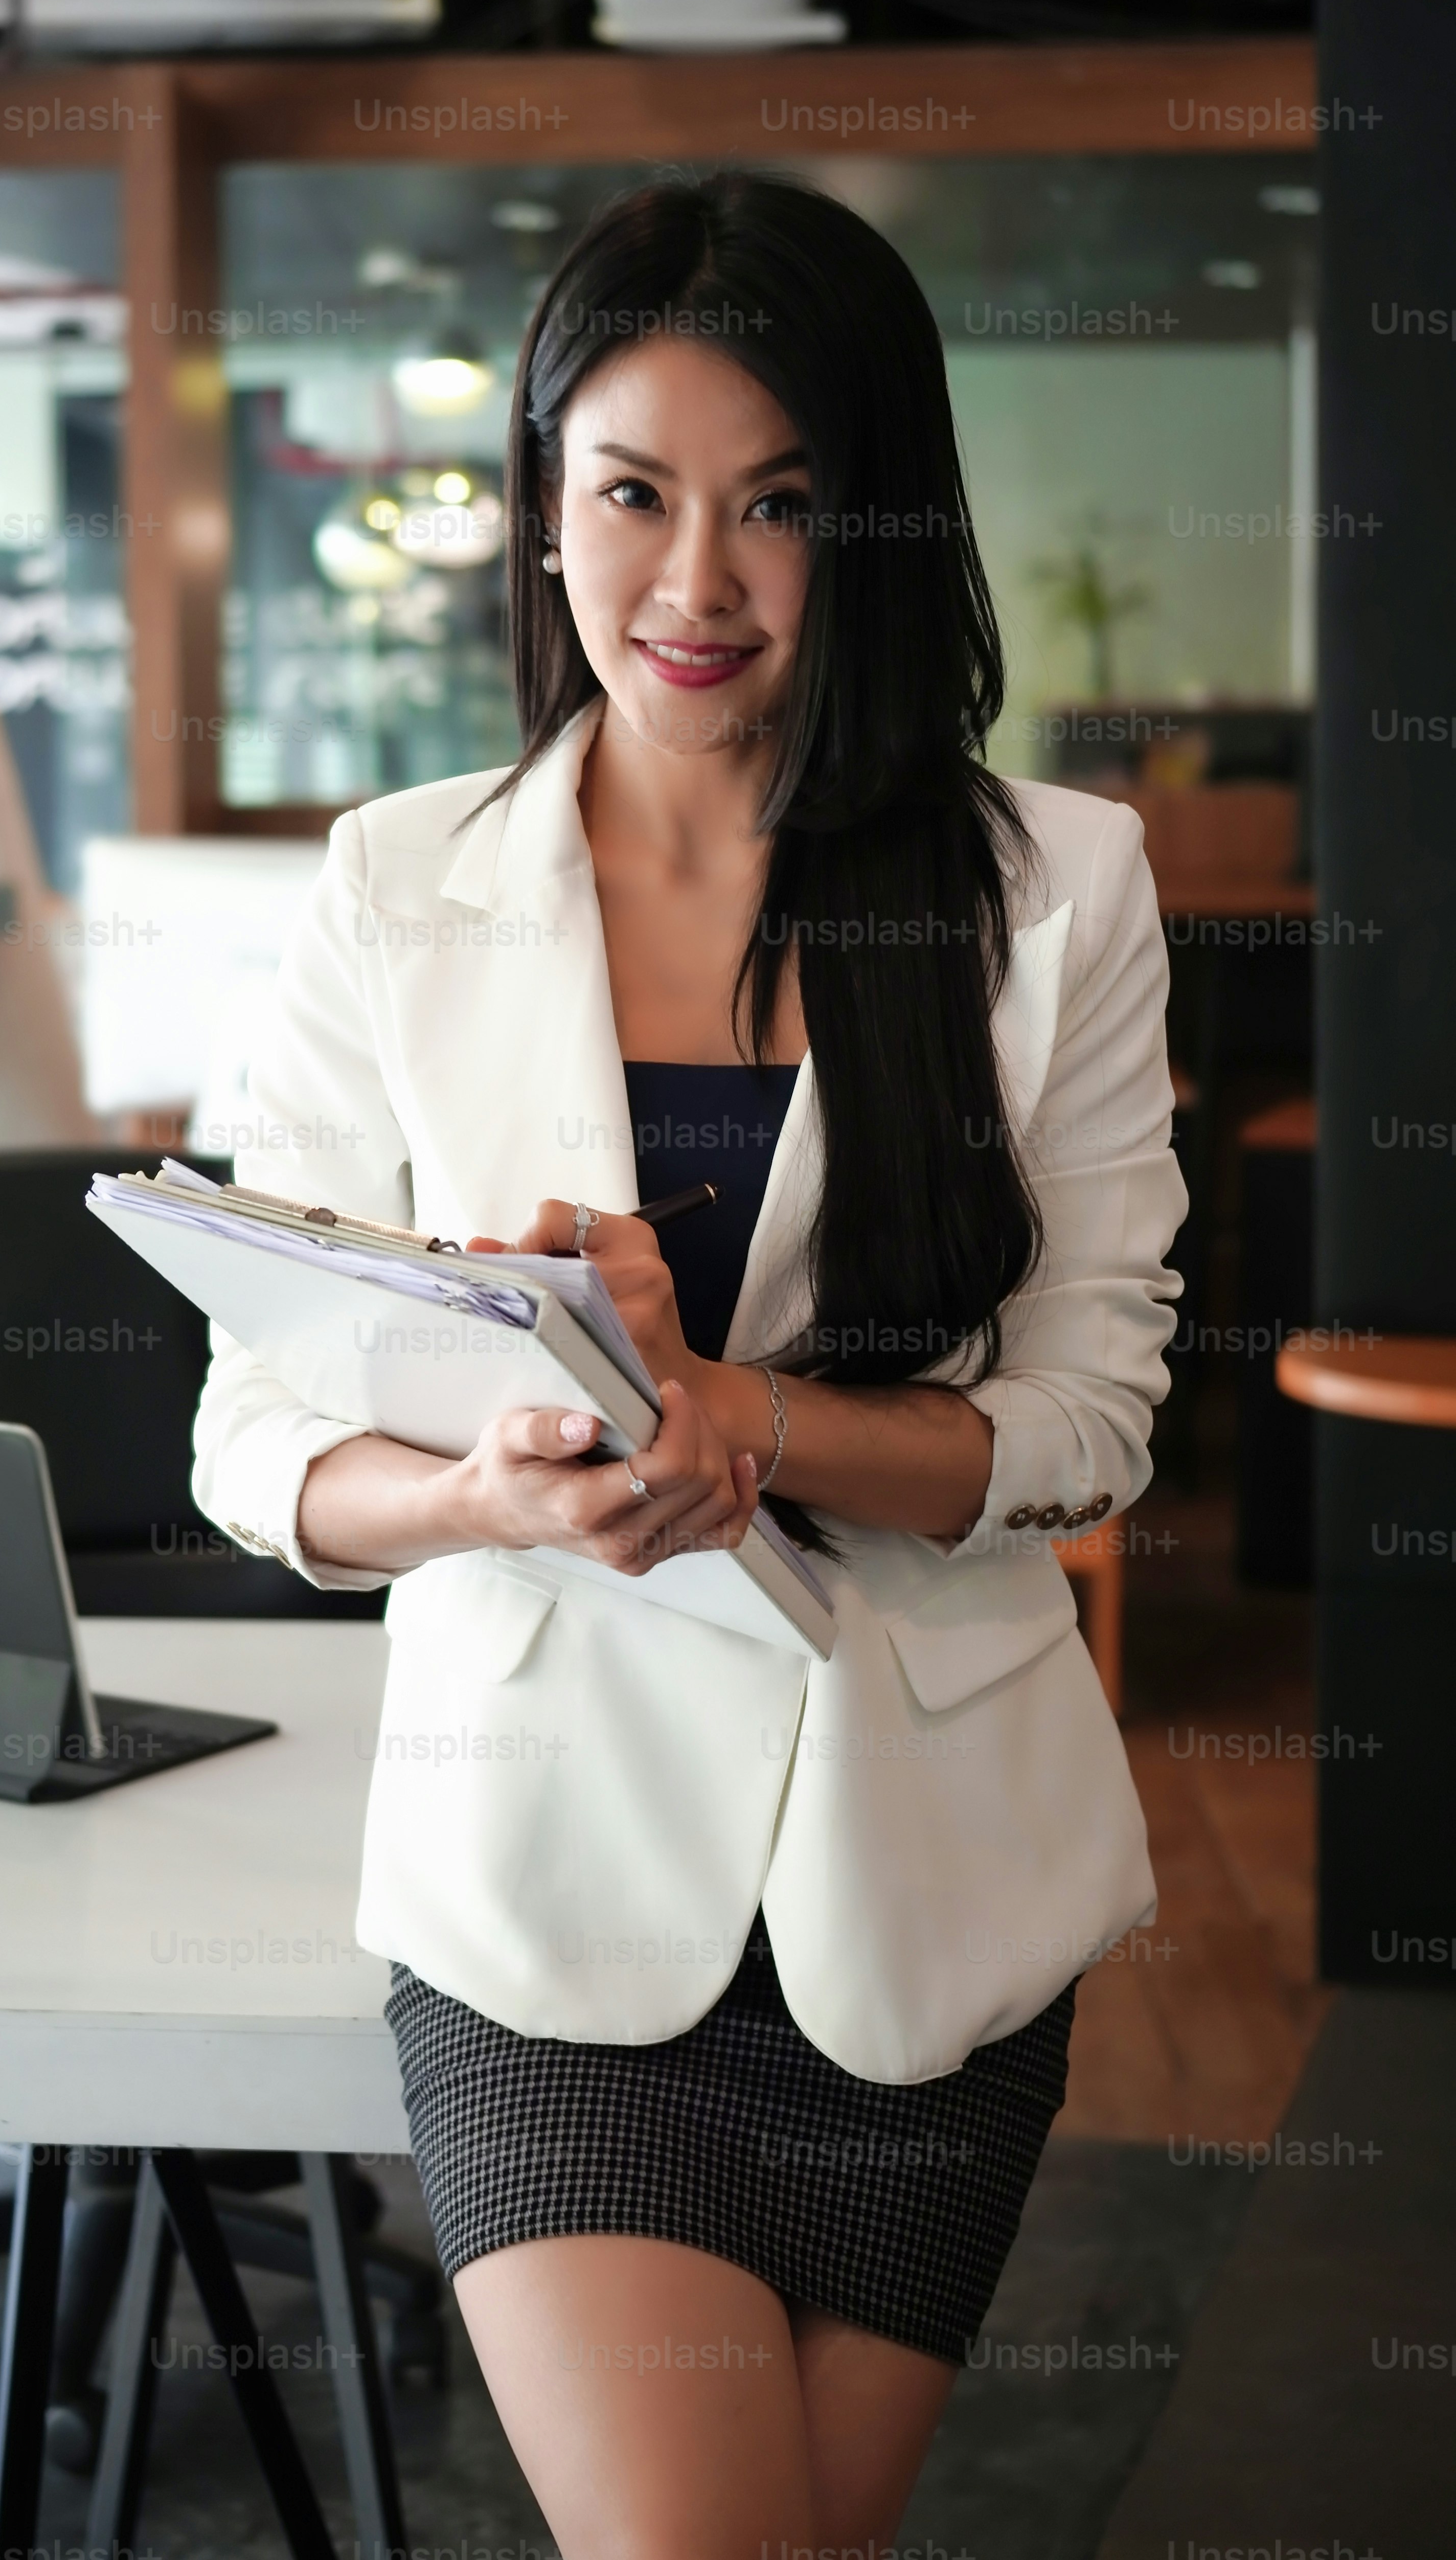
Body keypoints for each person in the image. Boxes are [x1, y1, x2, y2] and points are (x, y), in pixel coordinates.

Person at [195, 170, 1184, 2559]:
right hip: (542, 1883)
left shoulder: (1052, 893)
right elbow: (256, 1442)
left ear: (882, 526)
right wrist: (491, 1491)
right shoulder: (396, 884)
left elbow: (1093, 1419)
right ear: (544, 516)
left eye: (779, 505)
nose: (698, 583)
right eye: (633, 494)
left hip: (918, 1899)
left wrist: (758, 1423)